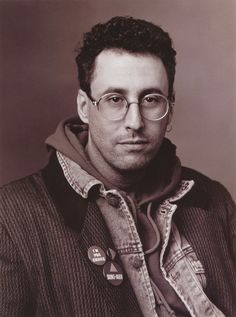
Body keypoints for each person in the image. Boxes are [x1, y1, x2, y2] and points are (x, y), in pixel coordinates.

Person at [0, 16, 235, 317]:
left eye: (150, 99)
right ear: (85, 108)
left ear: (170, 110)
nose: (135, 122)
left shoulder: (212, 200)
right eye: (115, 99)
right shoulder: (11, 217)